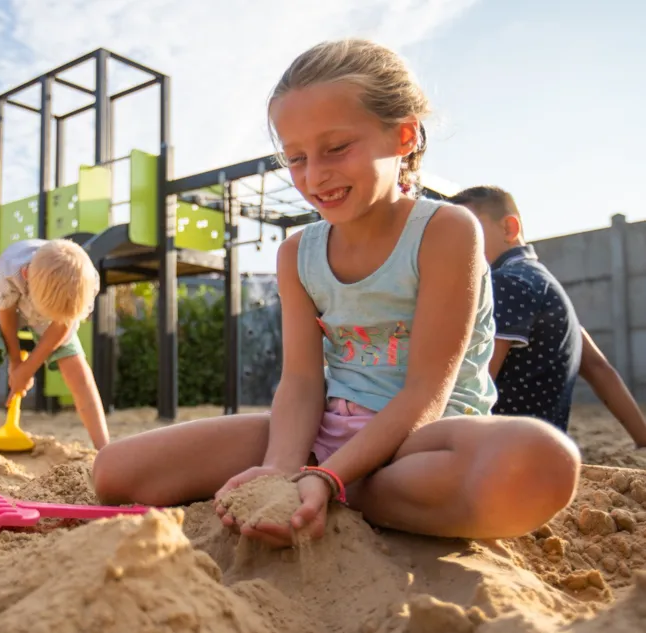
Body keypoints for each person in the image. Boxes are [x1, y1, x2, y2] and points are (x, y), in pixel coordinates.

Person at [92, 38, 581, 548]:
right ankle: (335, 490)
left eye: (337, 148)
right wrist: (278, 472)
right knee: (115, 471)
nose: (314, 175)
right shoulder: (297, 253)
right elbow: (302, 381)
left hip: (422, 442)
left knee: (541, 460)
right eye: (296, 157)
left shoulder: (447, 230)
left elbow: (426, 393)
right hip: (321, 433)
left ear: (405, 136)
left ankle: (348, 492)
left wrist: (329, 477)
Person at [450, 185, 646, 447]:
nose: (454, 246)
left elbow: (475, 388)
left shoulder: (506, 283)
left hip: (500, 448)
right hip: (545, 447)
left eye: (468, 232)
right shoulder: (544, 284)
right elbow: (600, 369)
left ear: (509, 228)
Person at [0, 238, 110, 449]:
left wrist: (28, 369)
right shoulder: (10, 272)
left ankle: (104, 448)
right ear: (26, 276)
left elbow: (62, 324)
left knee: (77, 370)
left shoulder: (83, 284)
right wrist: (15, 361)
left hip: (56, 314)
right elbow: (7, 316)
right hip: (3, 302)